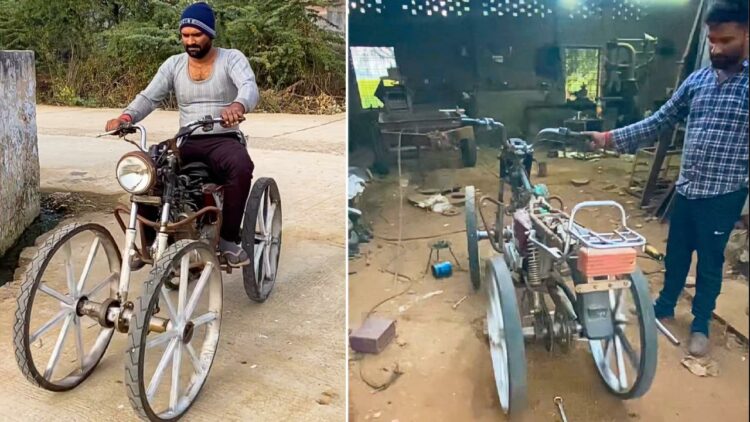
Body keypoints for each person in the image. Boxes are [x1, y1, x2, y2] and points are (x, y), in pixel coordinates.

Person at [585, 1, 748, 356]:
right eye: (711, 41)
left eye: (726, 40)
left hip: (724, 195)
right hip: (687, 190)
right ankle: (664, 305)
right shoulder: (697, 81)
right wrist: (611, 138)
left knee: (710, 261)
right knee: (676, 254)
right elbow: (658, 121)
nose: (717, 49)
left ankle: (701, 322)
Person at [105, 2, 259, 267]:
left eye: (196, 35)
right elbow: (149, 97)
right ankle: (152, 241)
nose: (190, 41)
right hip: (186, 141)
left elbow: (249, 86)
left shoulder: (231, 58)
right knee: (149, 169)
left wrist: (238, 105)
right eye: (185, 35)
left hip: (223, 138)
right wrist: (126, 117)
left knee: (241, 166)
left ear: (210, 33)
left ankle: (228, 240)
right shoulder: (174, 64)